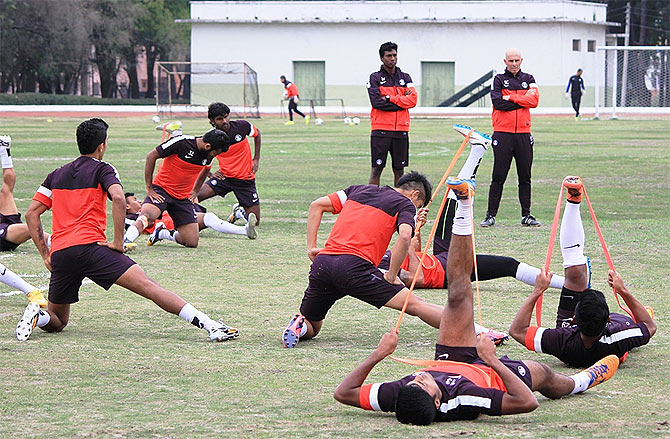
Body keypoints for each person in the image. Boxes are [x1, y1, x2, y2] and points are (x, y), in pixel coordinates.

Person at [333, 178, 619, 425]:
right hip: (487, 372)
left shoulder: (402, 395)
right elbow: (525, 403)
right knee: (543, 373)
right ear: (437, 402)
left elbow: (343, 394)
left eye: (412, 379)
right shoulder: (466, 399)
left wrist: (378, 354)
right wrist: (492, 360)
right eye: (422, 383)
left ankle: (464, 203)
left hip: (451, 357)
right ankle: (584, 381)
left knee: (457, 293)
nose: (417, 377)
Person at [16, 118, 239, 342]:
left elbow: (31, 214)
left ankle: (39, 315)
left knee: (58, 321)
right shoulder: (103, 169)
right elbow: (118, 198)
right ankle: (210, 325)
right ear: (101, 145)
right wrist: (116, 242)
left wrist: (46, 253)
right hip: (92, 250)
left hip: (62, 254)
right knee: (150, 287)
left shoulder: (56, 174)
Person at [281, 171, 506, 349]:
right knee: (416, 305)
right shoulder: (404, 204)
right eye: (419, 206)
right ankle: (479, 332)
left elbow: (316, 205)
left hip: (323, 264)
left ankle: (298, 326)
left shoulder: (357, 190)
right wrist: (390, 275)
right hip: (354, 268)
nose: (416, 210)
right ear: (415, 195)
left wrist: (312, 247)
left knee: (313, 325)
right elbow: (405, 236)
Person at [378, 125, 565, 291]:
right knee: (508, 264)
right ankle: (567, 284)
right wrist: (408, 246)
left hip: (440, 256)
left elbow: (416, 254)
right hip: (452, 269)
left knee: (450, 200)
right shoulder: (381, 269)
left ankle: (478, 148)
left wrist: (415, 232)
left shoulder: (380, 253)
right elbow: (417, 277)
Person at [508, 176, 656, 367]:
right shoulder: (619, 334)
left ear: (574, 318)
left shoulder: (562, 340)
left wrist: (537, 290)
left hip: (584, 331)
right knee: (639, 320)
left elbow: (517, 331)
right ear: (608, 321)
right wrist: (623, 291)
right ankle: (641, 313)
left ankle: (573, 200)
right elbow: (650, 327)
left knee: (576, 274)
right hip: (619, 324)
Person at [122, 127, 231, 249]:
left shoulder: (209, 154)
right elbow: (151, 156)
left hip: (182, 198)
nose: (215, 156)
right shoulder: (181, 142)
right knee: (147, 215)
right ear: (207, 146)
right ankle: (126, 241)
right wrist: (149, 188)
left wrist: (195, 191)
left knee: (191, 242)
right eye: (216, 153)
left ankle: (162, 233)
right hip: (162, 190)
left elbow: (206, 170)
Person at [481, 48, 540, 228]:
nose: (514, 64)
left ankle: (526, 215)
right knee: (498, 176)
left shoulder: (529, 79)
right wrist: (522, 100)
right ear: (505, 62)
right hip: (502, 134)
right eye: (510, 61)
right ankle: (490, 216)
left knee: (525, 176)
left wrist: (511, 98)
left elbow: (535, 101)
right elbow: (498, 103)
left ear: (521, 60)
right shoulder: (498, 79)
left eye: (516, 60)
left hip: (523, 134)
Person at [196, 102, 261, 228]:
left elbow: (257, 135)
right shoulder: (211, 137)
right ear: (212, 121)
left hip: (245, 180)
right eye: (220, 119)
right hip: (224, 178)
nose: (225, 121)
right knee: (195, 195)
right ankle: (191, 220)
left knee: (255, 221)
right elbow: (201, 157)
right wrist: (210, 174)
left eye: (226, 117)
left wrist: (256, 158)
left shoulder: (242, 126)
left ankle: (239, 212)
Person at [367, 41, 417, 186]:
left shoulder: (406, 78)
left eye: (395, 55)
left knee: (399, 170)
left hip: (401, 130)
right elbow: (376, 103)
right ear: (382, 58)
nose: (393, 58)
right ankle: (372, 202)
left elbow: (413, 100)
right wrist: (401, 104)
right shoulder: (375, 78)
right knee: (377, 169)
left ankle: (397, 203)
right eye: (389, 56)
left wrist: (391, 98)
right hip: (380, 130)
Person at [0, 135, 51, 253]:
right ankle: (57, 243)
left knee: (6, 189)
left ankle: (4, 148)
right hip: (3, 234)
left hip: (4, 223)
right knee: (31, 228)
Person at [148, 202, 256, 245]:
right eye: (134, 200)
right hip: (174, 221)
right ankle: (163, 233)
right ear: (129, 207)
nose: (138, 202)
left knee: (209, 217)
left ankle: (244, 228)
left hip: (180, 207)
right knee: (191, 242)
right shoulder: (137, 216)